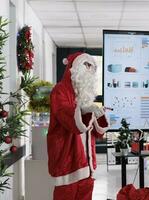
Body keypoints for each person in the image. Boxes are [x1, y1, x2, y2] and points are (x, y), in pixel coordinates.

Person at [47, 52, 109, 200]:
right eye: (85, 64)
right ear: (74, 68)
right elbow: (64, 115)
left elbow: (97, 133)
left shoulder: (85, 94)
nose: (88, 69)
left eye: (91, 66)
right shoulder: (60, 90)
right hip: (67, 160)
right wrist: (83, 110)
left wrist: (98, 116)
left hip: (86, 161)